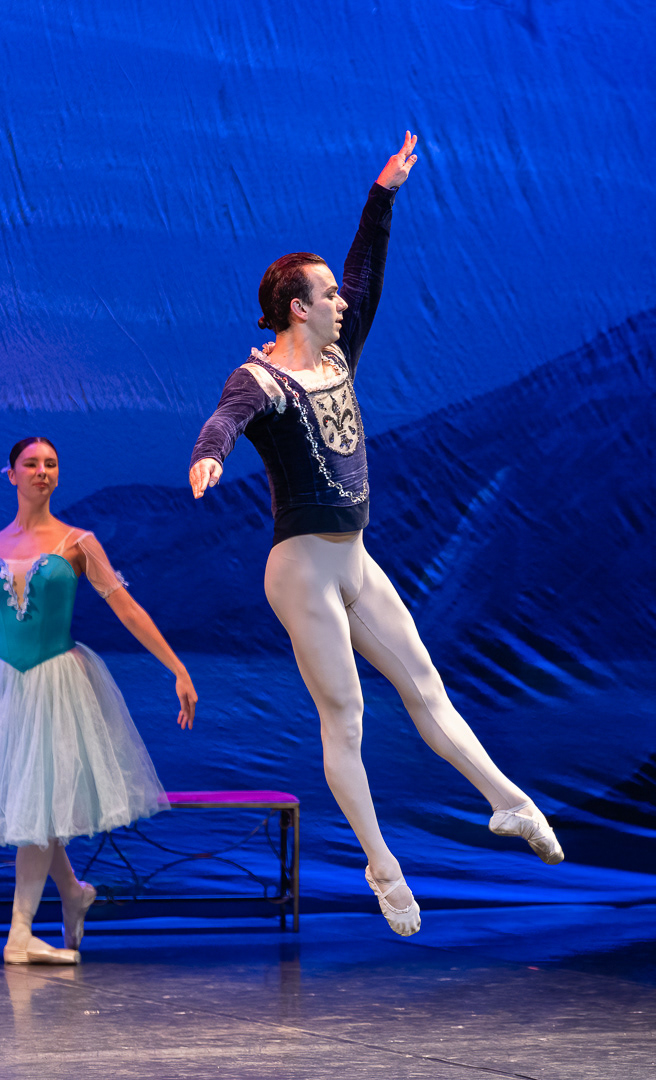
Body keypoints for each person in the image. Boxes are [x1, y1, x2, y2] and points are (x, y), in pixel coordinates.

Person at [188, 133, 564, 938]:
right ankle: (382, 865)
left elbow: (366, 275)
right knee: (348, 716)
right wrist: (209, 455)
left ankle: (509, 802)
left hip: (355, 559)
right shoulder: (262, 377)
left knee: (426, 685)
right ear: (298, 307)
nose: (342, 303)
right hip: (301, 571)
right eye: (327, 296)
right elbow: (226, 418)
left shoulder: (339, 357)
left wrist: (382, 195)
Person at [0, 437, 197, 964]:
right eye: (31, 464)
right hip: (2, 687)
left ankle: (20, 933)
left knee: (38, 802)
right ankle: (73, 894)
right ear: (11, 474)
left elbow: (127, 608)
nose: (42, 471)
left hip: (58, 685)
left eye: (50, 464)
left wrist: (177, 667)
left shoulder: (79, 543)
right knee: (35, 804)